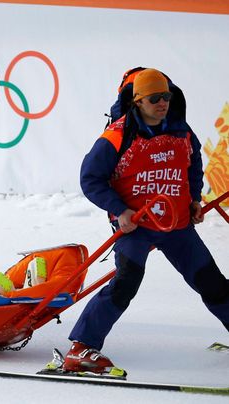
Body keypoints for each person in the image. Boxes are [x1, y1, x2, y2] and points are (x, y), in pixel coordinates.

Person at [66, 68, 229, 375]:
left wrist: (193, 199)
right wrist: (119, 211)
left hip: (177, 223)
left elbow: (193, 163)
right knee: (125, 284)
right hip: (136, 225)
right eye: (155, 98)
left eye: (166, 96)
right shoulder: (116, 136)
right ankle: (80, 349)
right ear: (138, 101)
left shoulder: (181, 130)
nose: (162, 103)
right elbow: (90, 179)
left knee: (212, 282)